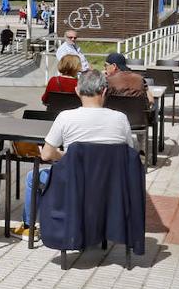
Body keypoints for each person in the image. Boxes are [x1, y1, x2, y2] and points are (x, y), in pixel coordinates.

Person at [15, 70, 133, 237]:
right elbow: (129, 154)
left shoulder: (65, 117)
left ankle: (29, 227)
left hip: (73, 182)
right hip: (109, 184)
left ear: (77, 91)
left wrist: (64, 155)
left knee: (31, 177)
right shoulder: (121, 118)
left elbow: (46, 155)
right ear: (104, 91)